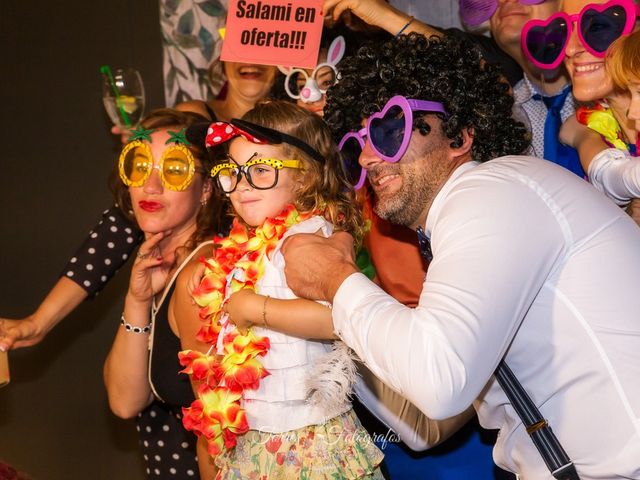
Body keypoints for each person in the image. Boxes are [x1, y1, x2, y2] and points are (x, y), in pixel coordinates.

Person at [281, 32, 640, 479]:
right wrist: (321, 319)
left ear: (460, 135)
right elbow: (425, 428)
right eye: (356, 144)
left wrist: (338, 281)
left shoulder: (490, 194)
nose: (370, 157)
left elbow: (438, 384)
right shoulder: (467, 221)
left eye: (390, 129)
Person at [0, 58, 279, 353]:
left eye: (265, 52)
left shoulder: (299, 122)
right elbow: (119, 227)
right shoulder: (194, 120)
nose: (252, 61)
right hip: (201, 276)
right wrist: (39, 321)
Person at [173, 100, 385, 478]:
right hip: (260, 435)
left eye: (260, 170)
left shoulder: (305, 239)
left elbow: (340, 319)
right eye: (232, 173)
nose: (241, 186)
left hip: (305, 440)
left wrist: (257, 308)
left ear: (303, 176)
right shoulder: (247, 246)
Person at [102, 108, 225, 479]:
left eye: (173, 170)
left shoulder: (203, 276)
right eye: (139, 167)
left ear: (205, 188)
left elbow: (223, 431)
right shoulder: (160, 267)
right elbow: (125, 401)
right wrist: (137, 301)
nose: (150, 186)